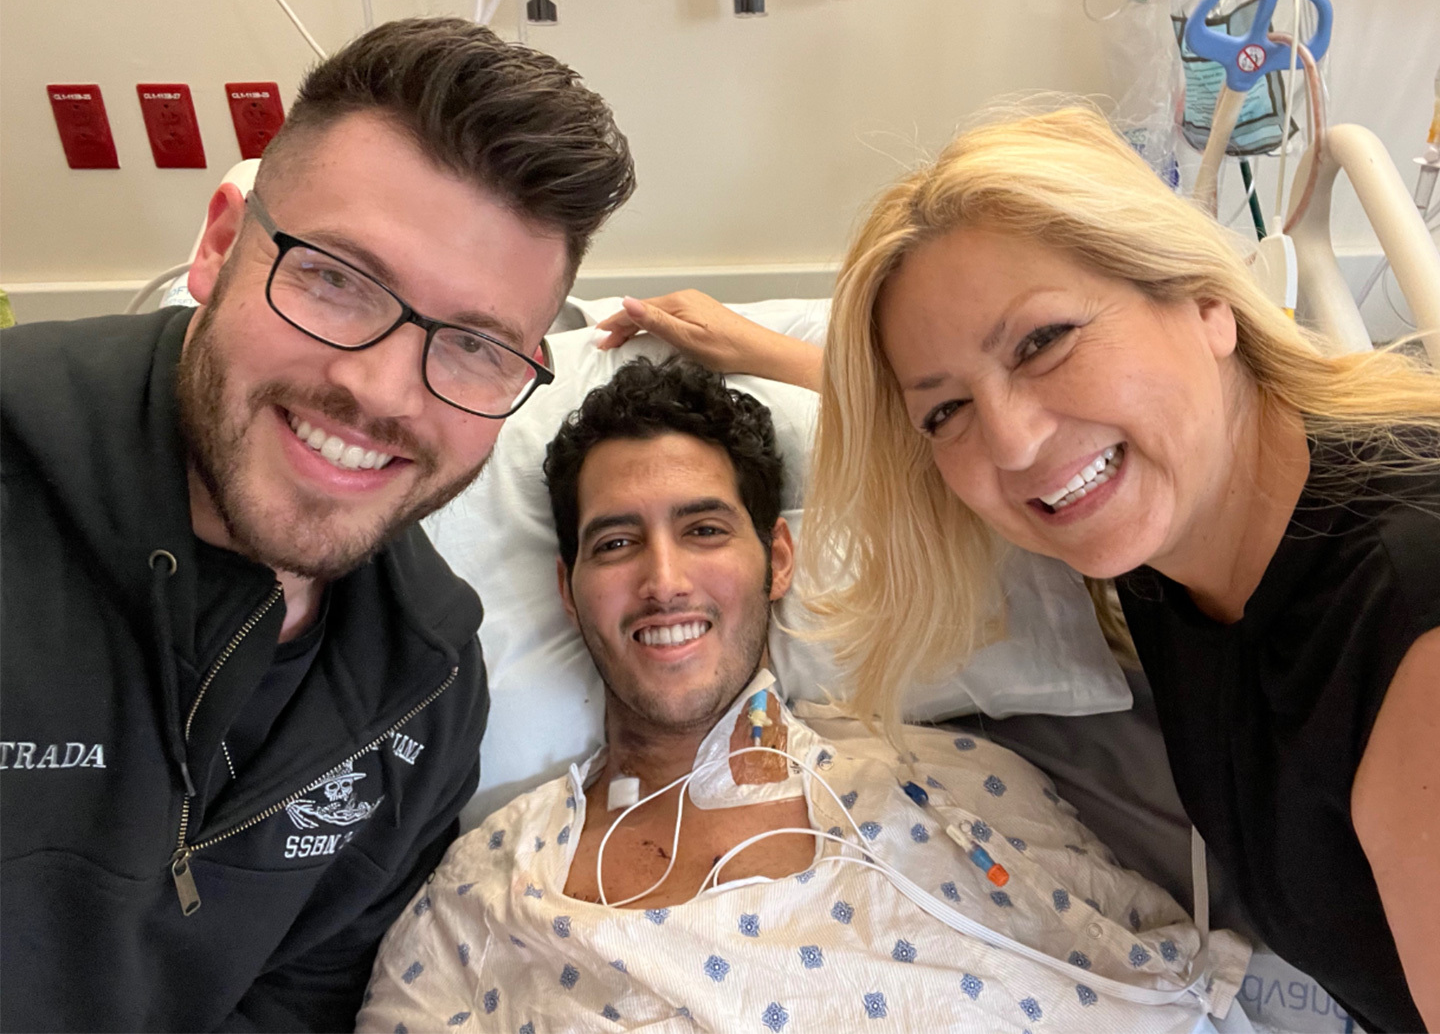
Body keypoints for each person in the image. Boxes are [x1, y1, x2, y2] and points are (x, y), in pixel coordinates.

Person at [606, 107, 1440, 1032]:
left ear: (1207, 301)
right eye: (946, 411)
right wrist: (763, 352)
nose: (1012, 442)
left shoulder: (1408, 612)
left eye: (1044, 342)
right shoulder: (1170, 534)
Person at [0, 17, 634, 1032]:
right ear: (218, 245)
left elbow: (300, 1002)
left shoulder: (423, 692)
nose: (380, 390)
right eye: (337, 279)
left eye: (474, 344)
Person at [357, 357, 1247, 1034]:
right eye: (617, 543)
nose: (665, 581)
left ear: (778, 560)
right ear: (569, 588)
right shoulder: (489, 891)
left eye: (704, 529)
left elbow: (1174, 988)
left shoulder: (949, 789)